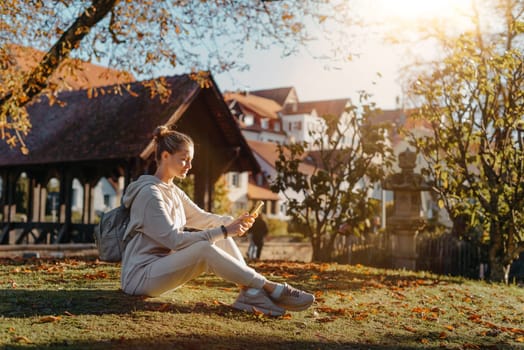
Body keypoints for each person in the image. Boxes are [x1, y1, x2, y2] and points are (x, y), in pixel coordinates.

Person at [120, 125, 314, 316]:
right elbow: (175, 240)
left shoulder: (173, 192)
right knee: (206, 247)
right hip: (140, 277)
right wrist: (225, 230)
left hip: (162, 269)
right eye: (184, 160)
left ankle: (250, 293)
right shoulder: (149, 194)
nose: (189, 166)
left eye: (191, 160)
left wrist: (232, 221)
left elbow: (203, 218)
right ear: (165, 156)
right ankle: (269, 287)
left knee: (218, 229)